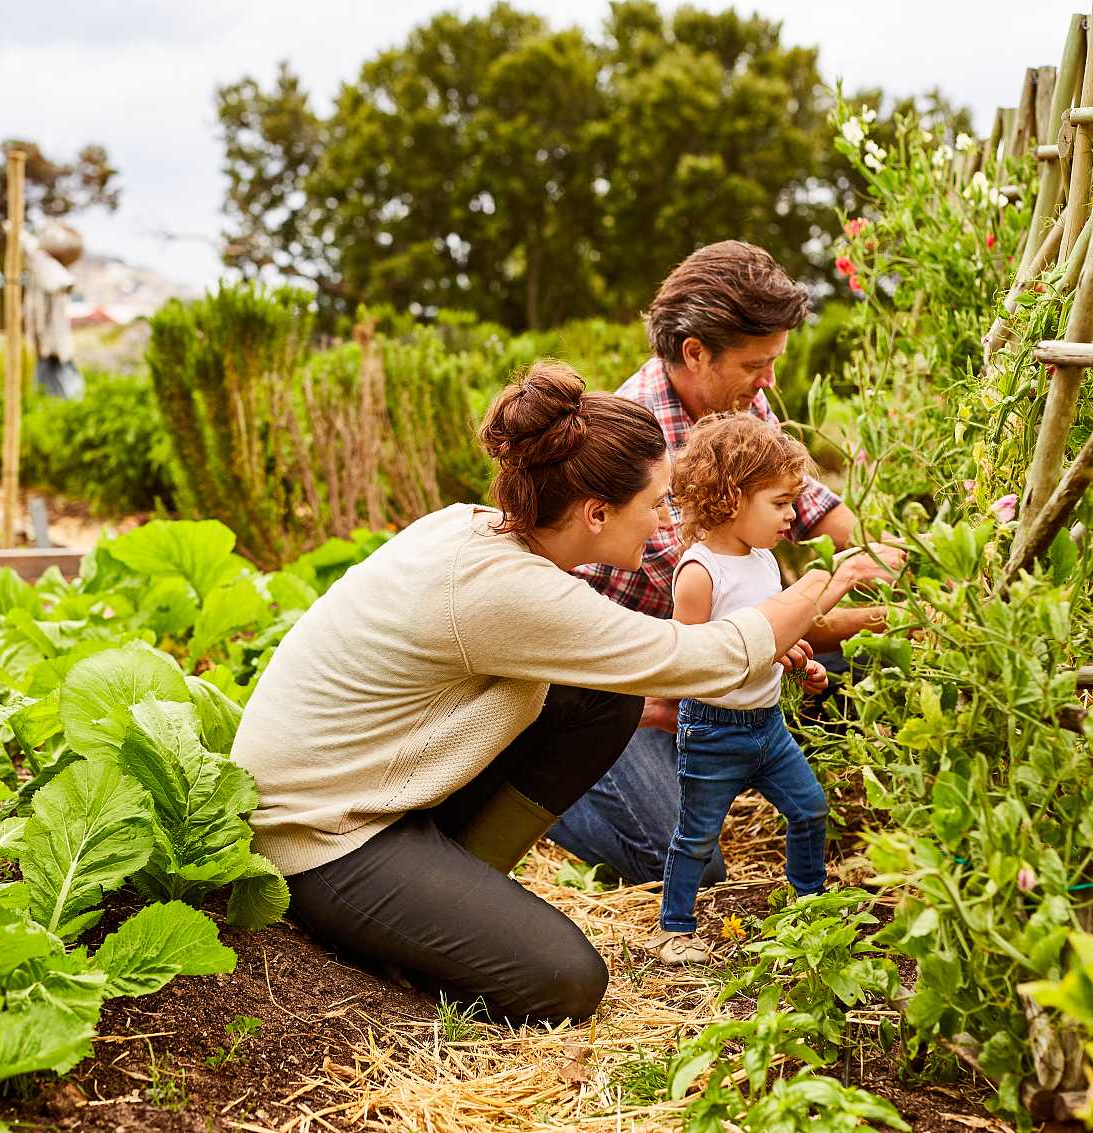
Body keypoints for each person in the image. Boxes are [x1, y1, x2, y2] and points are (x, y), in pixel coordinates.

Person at [231, 361, 903, 1024]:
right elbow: (704, 657)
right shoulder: (508, 589)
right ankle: (413, 923)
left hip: (377, 786)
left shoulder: (477, 529)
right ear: (596, 512)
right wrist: (830, 581)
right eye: (655, 504)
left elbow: (654, 673)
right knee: (566, 980)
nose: (666, 524)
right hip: (320, 836)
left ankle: (456, 880)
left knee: (602, 699)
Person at [551, 240, 884, 887]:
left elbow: (810, 505)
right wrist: (870, 614)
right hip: (619, 690)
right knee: (689, 862)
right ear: (695, 352)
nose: (770, 383)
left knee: (861, 669)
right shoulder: (638, 450)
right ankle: (544, 787)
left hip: (704, 664)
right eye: (757, 364)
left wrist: (896, 558)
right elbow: (745, 627)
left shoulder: (733, 403)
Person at [652, 415, 886, 964]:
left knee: (809, 809)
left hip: (768, 725)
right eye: (780, 503)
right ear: (732, 498)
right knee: (697, 836)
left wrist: (796, 661)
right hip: (713, 731)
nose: (792, 516)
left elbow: (770, 634)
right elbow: (693, 663)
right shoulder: (700, 573)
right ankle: (674, 928)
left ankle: (810, 904)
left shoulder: (763, 561)